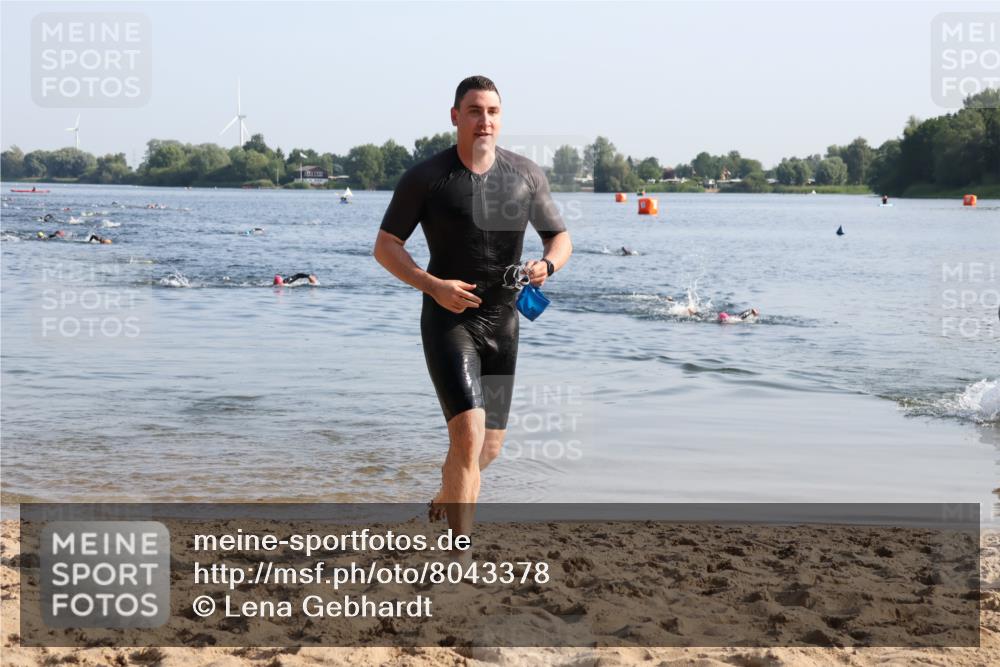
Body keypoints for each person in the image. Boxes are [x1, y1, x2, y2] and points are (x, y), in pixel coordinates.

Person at [373, 76, 572, 536]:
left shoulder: (525, 174)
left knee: (489, 448)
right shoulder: (426, 178)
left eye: (493, 112)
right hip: (450, 320)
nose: (485, 120)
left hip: (504, 323)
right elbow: (386, 247)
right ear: (455, 117)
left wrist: (547, 264)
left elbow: (560, 238)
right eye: (475, 111)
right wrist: (432, 286)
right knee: (466, 437)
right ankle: (459, 552)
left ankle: (450, 490)